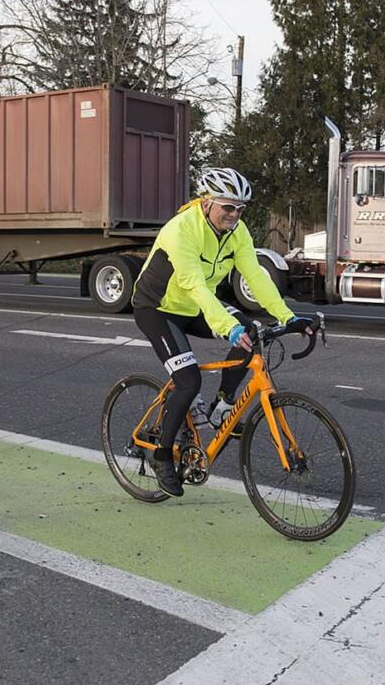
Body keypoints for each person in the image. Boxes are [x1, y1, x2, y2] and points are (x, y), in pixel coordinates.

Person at [132, 167, 315, 496]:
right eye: (227, 207)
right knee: (189, 381)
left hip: (194, 307)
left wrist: (288, 317)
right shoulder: (182, 230)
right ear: (206, 203)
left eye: (240, 208)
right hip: (158, 308)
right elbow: (195, 285)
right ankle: (162, 457)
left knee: (252, 331)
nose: (234, 214)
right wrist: (226, 327)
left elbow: (257, 278)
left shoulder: (238, 232)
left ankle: (221, 407)